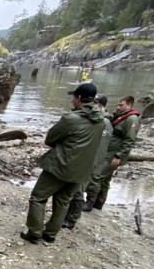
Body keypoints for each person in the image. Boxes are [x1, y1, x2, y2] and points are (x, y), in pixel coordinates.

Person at [20, 83, 106, 244]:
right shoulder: (101, 121)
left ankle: (35, 232)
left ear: (79, 98)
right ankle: (51, 233)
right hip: (81, 170)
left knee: (38, 197)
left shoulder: (71, 119)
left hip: (60, 166)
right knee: (63, 201)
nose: (72, 100)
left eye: (74, 97)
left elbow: (50, 139)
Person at [62, 94, 113, 229]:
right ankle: (68, 215)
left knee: (78, 190)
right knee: (73, 189)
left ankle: (72, 219)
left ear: (100, 105)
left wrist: (92, 164)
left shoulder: (104, 123)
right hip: (81, 160)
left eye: (95, 102)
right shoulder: (94, 120)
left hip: (88, 162)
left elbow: (101, 147)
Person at [83, 95, 140, 211]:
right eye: (118, 104)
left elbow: (129, 140)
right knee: (105, 180)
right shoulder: (120, 116)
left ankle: (89, 202)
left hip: (113, 154)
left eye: (121, 105)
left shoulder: (132, 119)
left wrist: (119, 156)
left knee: (95, 175)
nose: (118, 107)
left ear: (129, 105)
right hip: (108, 152)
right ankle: (99, 204)